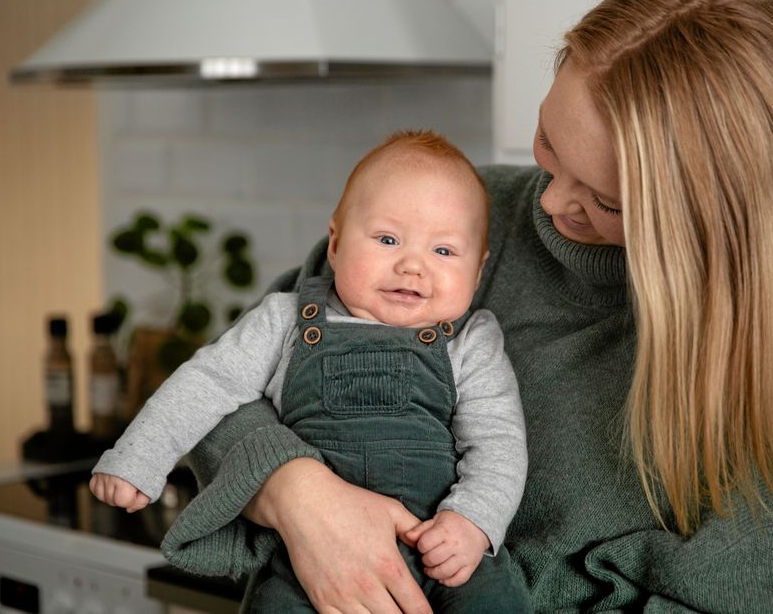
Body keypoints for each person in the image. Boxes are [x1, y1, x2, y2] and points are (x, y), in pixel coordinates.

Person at [159, 0, 773, 613]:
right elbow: (225, 389)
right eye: (550, 143)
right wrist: (296, 493)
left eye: (605, 199)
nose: (549, 204)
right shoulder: (455, 220)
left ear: (707, 216)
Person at [89, 130, 530, 611]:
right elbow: (205, 383)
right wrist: (138, 458)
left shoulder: (471, 342)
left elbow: (498, 444)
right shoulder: (285, 319)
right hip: (306, 566)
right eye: (387, 239)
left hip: (443, 553)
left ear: (479, 271)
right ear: (335, 244)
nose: (412, 266)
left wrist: (472, 522)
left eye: (443, 251)